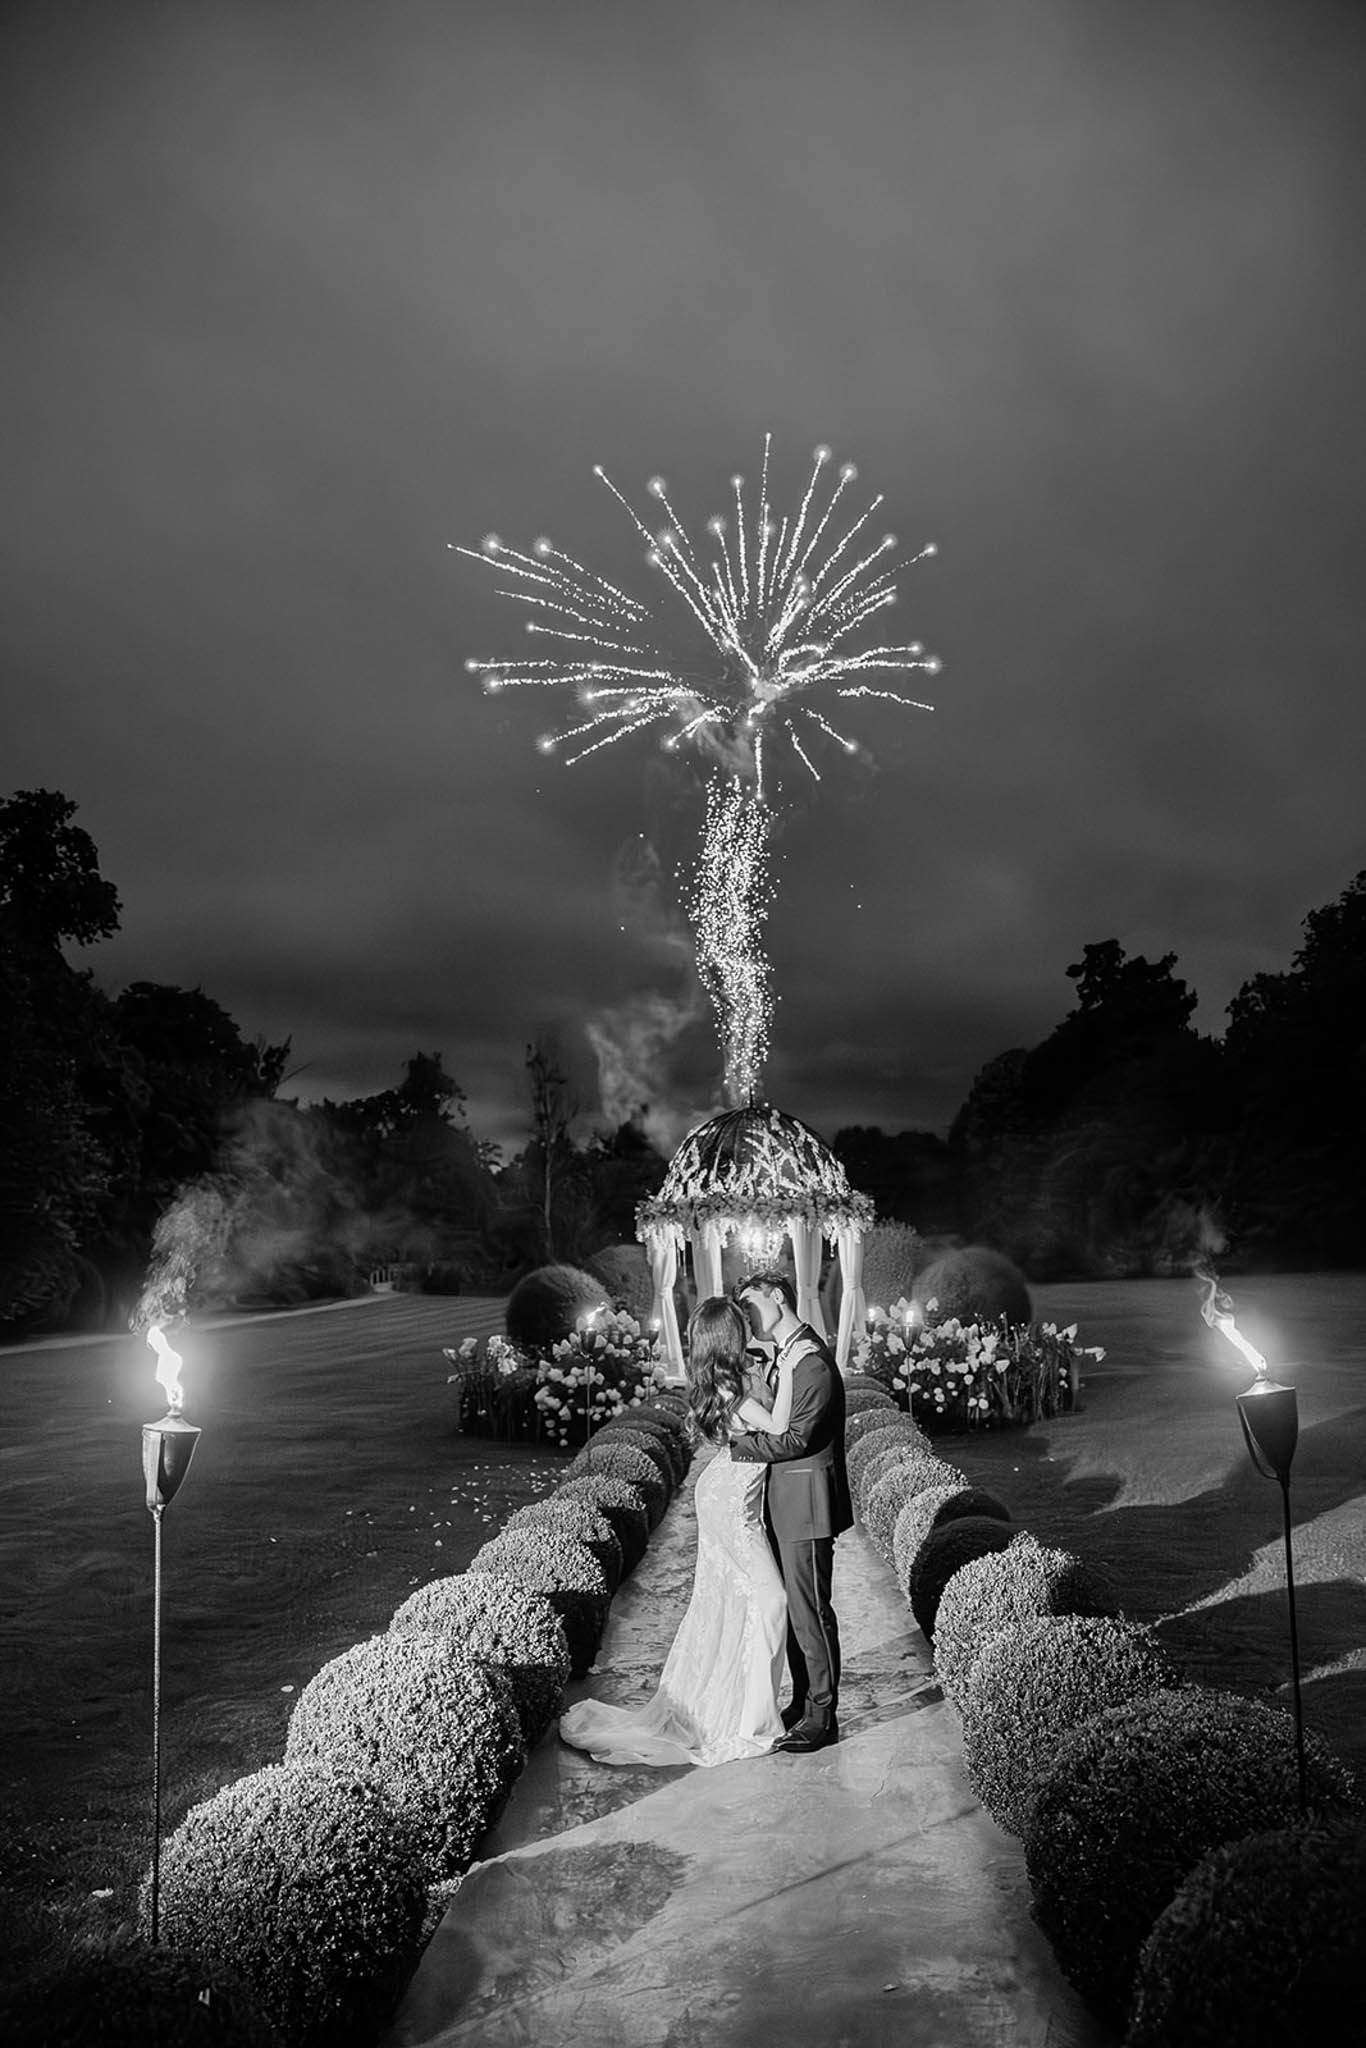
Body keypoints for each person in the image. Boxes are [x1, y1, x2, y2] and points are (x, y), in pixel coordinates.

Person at [558, 1296, 796, 1767]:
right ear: (728, 1336)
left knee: (738, 1603)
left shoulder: (734, 1378)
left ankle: (739, 1710)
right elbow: (782, 1425)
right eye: (741, 1323)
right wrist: (791, 1367)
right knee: (771, 1602)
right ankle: (752, 1723)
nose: (749, 1326)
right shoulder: (735, 1391)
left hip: (728, 1493)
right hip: (731, 1503)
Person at [729, 1270, 852, 1753]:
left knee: (811, 1612)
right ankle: (802, 1702)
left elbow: (796, 1438)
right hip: (783, 1501)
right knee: (798, 1610)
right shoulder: (785, 1355)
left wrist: (737, 1445)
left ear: (777, 1296)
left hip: (807, 1502)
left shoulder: (811, 1361)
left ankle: (823, 1716)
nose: (747, 1315)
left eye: (751, 1303)